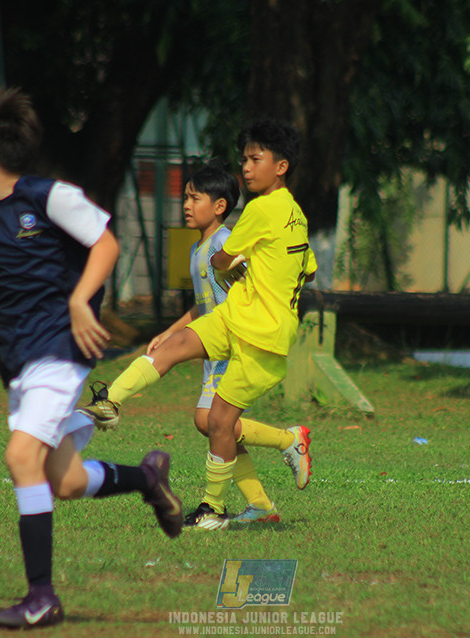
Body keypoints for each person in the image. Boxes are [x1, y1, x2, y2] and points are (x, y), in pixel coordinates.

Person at [0, 88, 183, 629]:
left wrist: (80, 300)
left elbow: (105, 245)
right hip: (18, 356)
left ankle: (42, 597)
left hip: (60, 348)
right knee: (66, 482)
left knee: (20, 458)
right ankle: (147, 479)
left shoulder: (49, 196)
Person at [80, 119, 317, 530]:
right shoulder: (294, 213)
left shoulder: (262, 209)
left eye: (254, 159)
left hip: (262, 335)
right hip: (235, 317)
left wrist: (233, 264)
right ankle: (110, 401)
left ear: (281, 166)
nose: (246, 167)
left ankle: (217, 505)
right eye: (244, 159)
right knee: (170, 349)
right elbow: (307, 270)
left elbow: (221, 261)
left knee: (218, 423)